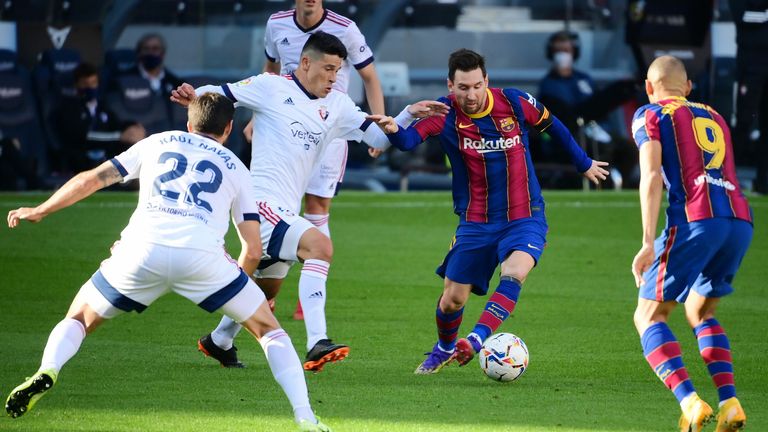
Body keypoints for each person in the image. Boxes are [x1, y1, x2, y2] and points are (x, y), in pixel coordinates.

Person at [4, 93, 332, 432]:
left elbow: (93, 178)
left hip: (141, 250)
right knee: (269, 331)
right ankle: (305, 416)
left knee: (79, 318)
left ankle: (47, 369)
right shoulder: (235, 166)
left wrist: (41, 209)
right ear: (229, 128)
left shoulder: (156, 142)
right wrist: (239, 287)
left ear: (188, 124)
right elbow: (252, 247)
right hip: (202, 258)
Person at [171, 31, 446, 372]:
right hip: (260, 203)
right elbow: (220, 94)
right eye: (328, 68)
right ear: (305, 62)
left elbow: (378, 138)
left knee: (265, 291)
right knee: (320, 246)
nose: (333, 77)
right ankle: (317, 342)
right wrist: (191, 94)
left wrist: (406, 115)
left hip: (287, 207)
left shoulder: (339, 105)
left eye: (338, 70)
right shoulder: (271, 87)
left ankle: (219, 340)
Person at [366, 49, 609, 374]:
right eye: (463, 88)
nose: (471, 94)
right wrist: (401, 120)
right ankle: (444, 348)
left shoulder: (514, 101)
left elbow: (555, 126)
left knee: (516, 270)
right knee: (452, 300)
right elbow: (408, 142)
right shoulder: (442, 111)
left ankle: (478, 338)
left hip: (525, 214)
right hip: (476, 221)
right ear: (450, 85)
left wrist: (583, 163)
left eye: (477, 85)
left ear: (487, 81)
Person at [629, 56, 752, 432]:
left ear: (650, 87)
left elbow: (651, 175)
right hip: (739, 221)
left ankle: (690, 403)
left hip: (697, 221)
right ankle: (729, 403)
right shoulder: (714, 116)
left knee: (648, 315)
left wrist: (648, 241)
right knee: (700, 312)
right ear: (688, 87)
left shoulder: (650, 114)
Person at [253, 0, 386, 320]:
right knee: (279, 208)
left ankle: (309, 298)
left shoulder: (346, 29)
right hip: (283, 127)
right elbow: (269, 71)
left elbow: (369, 76)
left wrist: (378, 121)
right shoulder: (277, 24)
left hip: (329, 131)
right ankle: (266, 290)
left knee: (316, 207)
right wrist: (258, 113)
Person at [51, 62, 146, 173]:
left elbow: (116, 124)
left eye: (93, 83)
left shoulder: (101, 107)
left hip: (106, 158)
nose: (90, 87)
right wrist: (119, 136)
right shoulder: (68, 108)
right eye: (85, 84)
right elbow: (83, 136)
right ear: (77, 85)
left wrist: (133, 127)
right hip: (80, 160)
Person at [729, 0, 768, 194]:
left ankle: (764, 183)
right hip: (749, 68)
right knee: (742, 123)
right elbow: (744, 17)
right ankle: (726, 180)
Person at [129, 33, 183, 100]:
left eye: (155, 49)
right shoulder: (125, 79)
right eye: (146, 49)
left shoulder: (175, 83)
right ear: (139, 53)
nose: (150, 53)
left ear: (163, 54)